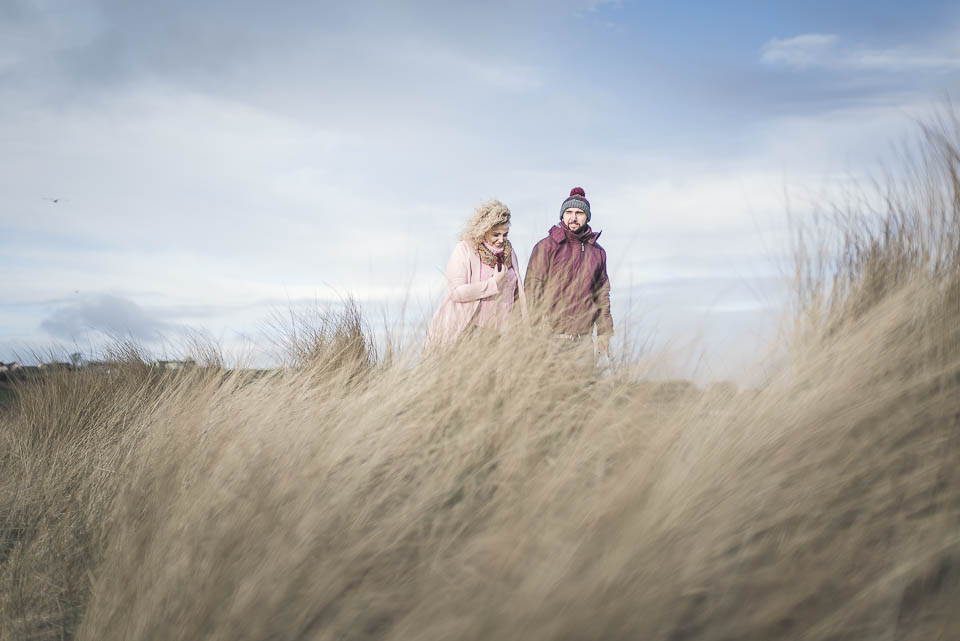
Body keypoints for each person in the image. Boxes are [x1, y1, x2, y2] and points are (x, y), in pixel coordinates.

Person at [426, 199, 527, 350]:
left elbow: (516, 292)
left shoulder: (509, 252)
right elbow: (456, 292)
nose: (501, 240)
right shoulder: (465, 249)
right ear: (483, 230)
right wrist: (493, 284)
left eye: (505, 234)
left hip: (504, 335)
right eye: (496, 234)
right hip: (471, 331)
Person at [524, 187, 613, 355]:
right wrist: (534, 330)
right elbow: (533, 290)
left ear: (587, 216)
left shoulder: (597, 252)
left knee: (585, 382)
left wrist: (604, 332)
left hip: (583, 340)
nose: (573, 217)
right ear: (562, 216)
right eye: (569, 212)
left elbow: (602, 295)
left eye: (579, 213)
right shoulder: (546, 247)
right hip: (550, 339)